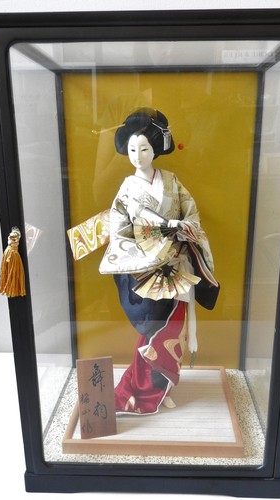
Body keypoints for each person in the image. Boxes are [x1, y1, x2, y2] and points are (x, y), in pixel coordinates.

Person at [99, 108, 219, 415]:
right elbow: (119, 229)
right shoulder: (127, 188)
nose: (138, 156)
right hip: (147, 270)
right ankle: (141, 388)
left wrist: (184, 228)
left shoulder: (172, 180)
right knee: (153, 329)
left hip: (176, 264)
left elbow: (191, 212)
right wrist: (145, 251)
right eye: (132, 150)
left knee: (173, 330)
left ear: (156, 149)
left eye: (144, 149)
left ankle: (164, 386)